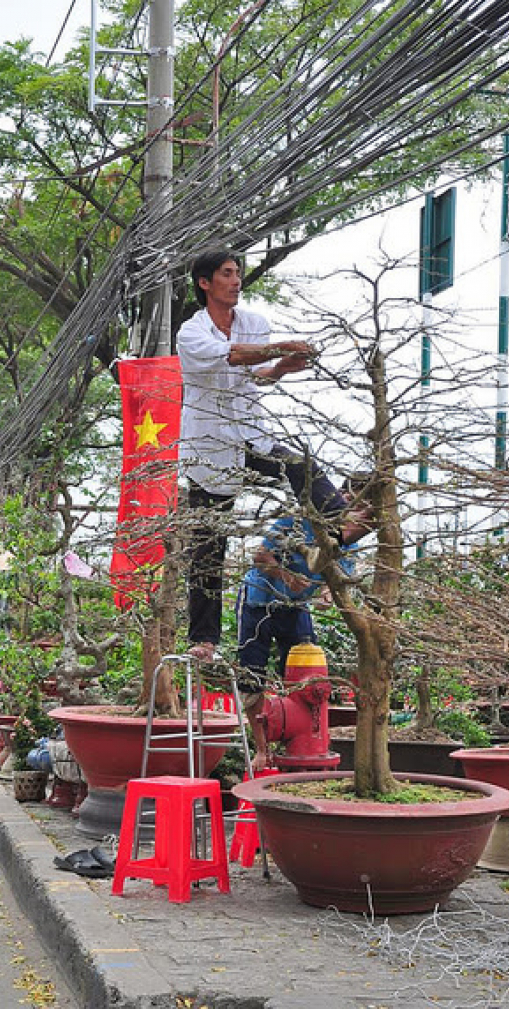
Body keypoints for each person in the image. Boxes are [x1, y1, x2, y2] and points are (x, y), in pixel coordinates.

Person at [177, 252, 370, 659]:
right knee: (209, 542)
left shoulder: (253, 322)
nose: (235, 281)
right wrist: (278, 348)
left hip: (250, 435)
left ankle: (336, 531)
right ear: (204, 283)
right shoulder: (191, 333)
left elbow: (253, 375)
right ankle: (204, 639)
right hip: (208, 445)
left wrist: (281, 367)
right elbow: (233, 356)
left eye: (238, 273)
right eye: (226, 274)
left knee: (299, 465)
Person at [236, 476, 372, 771]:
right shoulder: (298, 521)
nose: (357, 512)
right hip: (258, 601)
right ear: (340, 498)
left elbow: (337, 579)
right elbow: (261, 554)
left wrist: (327, 593)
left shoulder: (348, 543)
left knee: (305, 674)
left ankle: (295, 738)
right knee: (252, 675)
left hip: (296, 607)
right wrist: (287, 577)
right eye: (352, 502)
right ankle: (261, 749)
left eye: (364, 508)